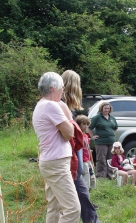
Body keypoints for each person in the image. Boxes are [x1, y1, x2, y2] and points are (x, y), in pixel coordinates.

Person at [32, 72, 81, 223]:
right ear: (53, 88)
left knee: (55, 207)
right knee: (73, 209)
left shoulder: (40, 105)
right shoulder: (51, 106)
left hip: (50, 161)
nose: (63, 91)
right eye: (61, 88)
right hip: (57, 163)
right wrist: (68, 124)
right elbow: (69, 133)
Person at [60, 70, 100, 223]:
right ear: (73, 86)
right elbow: (71, 137)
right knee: (81, 196)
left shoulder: (67, 107)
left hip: (68, 157)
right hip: (67, 158)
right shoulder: (63, 107)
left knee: (80, 195)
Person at [88, 102, 117, 179]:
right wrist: (92, 136)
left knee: (110, 158)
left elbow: (115, 128)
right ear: (101, 109)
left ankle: (110, 174)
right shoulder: (97, 117)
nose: (107, 110)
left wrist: (110, 134)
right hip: (101, 142)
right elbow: (89, 127)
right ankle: (101, 175)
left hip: (111, 141)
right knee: (101, 158)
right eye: (105, 108)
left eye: (108, 108)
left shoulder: (112, 118)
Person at [76, 114, 97, 190]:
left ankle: (88, 193)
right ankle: (85, 195)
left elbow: (88, 149)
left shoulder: (86, 136)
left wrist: (92, 161)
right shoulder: (78, 136)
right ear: (78, 125)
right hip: (83, 161)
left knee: (92, 179)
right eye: (84, 124)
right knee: (86, 179)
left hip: (88, 160)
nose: (86, 126)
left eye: (87, 124)